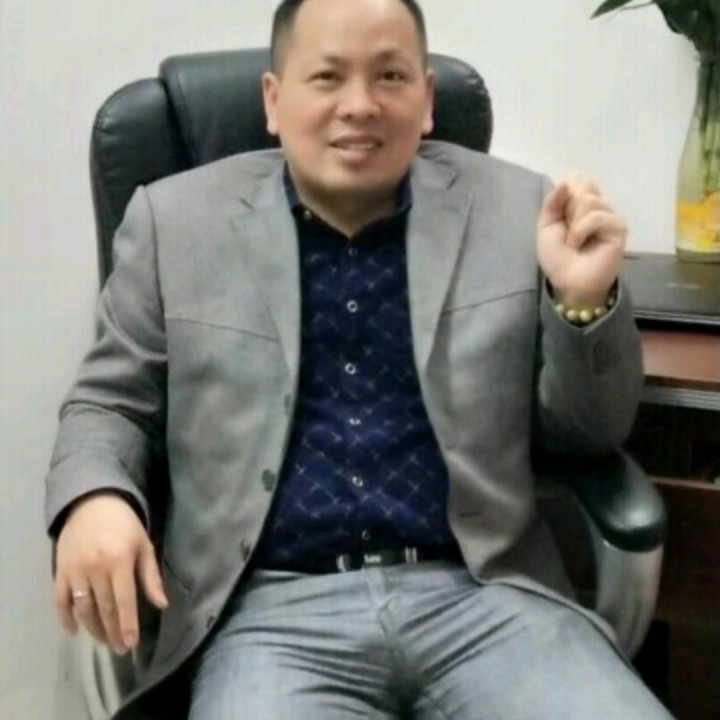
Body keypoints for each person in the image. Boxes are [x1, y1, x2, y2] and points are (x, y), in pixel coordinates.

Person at [45, 0, 674, 718]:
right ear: (273, 101)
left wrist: (582, 304)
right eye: (327, 77)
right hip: (271, 618)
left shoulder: (518, 209)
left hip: (487, 601)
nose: (360, 105)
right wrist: (95, 497)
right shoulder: (175, 222)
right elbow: (108, 402)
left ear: (426, 100)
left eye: (390, 76)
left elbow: (590, 434)